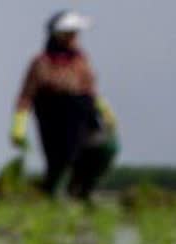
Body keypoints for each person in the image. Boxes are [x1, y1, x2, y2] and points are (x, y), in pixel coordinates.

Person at [10, 11, 118, 200]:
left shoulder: (81, 60)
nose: (74, 38)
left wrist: (106, 111)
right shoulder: (41, 63)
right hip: (55, 121)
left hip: (84, 117)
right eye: (70, 34)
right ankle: (51, 196)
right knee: (61, 163)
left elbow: (90, 90)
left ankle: (82, 191)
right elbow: (26, 97)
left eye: (75, 34)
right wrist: (19, 125)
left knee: (105, 148)